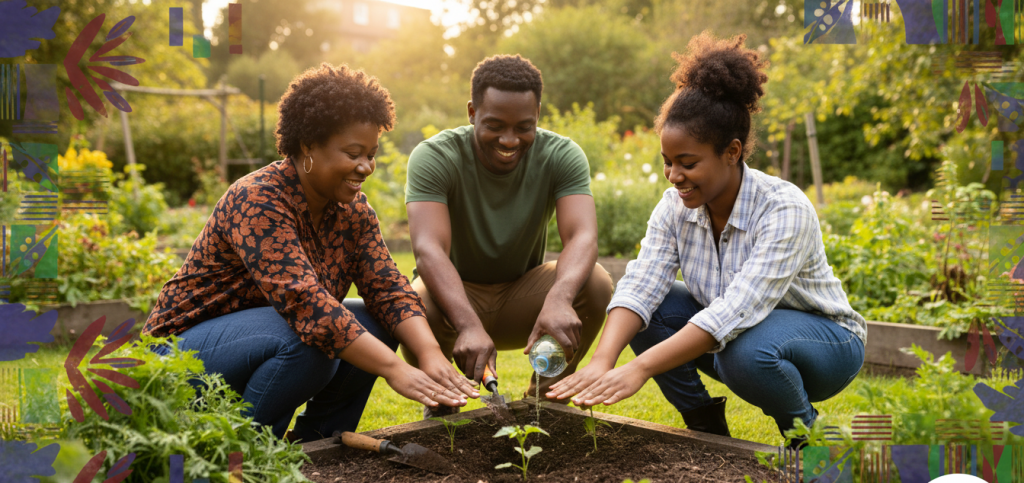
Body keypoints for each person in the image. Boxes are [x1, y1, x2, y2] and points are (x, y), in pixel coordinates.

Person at [546, 33, 867, 445]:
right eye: (667, 162)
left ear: (732, 152)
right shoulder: (674, 206)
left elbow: (736, 311)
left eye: (688, 163)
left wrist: (639, 369)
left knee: (745, 351)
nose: (673, 176)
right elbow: (641, 283)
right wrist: (603, 362)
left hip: (826, 344)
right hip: (738, 337)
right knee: (649, 311)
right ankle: (706, 430)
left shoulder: (784, 208)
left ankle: (808, 437)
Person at [143, 63, 477, 441]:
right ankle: (247, 451)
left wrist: (430, 353)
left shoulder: (353, 213)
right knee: (307, 337)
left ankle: (318, 445)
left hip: (259, 340)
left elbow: (388, 289)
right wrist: (394, 369)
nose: (366, 167)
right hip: (175, 358)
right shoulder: (258, 199)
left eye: (372, 153)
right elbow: (305, 304)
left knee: (374, 320)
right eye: (353, 153)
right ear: (307, 146)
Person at [403, 54, 614, 416]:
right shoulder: (435, 156)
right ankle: (442, 405)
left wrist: (560, 297)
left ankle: (546, 403)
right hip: (454, 301)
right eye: (495, 124)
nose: (509, 139)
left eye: (523, 127)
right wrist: (468, 324)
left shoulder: (561, 155)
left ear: (538, 115)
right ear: (472, 112)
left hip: (525, 301)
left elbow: (583, 236)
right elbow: (428, 250)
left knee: (594, 283)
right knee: (412, 303)